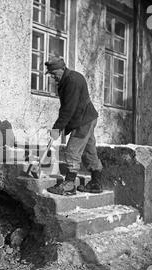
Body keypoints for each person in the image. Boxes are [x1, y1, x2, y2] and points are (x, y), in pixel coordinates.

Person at [45, 57, 103, 196]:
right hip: (87, 118)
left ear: (62, 69)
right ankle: (96, 183)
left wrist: (57, 129)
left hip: (83, 120)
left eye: (54, 74)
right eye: (51, 74)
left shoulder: (72, 80)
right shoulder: (67, 79)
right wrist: (59, 128)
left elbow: (68, 109)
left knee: (72, 151)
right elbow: (67, 107)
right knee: (89, 151)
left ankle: (69, 185)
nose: (53, 77)